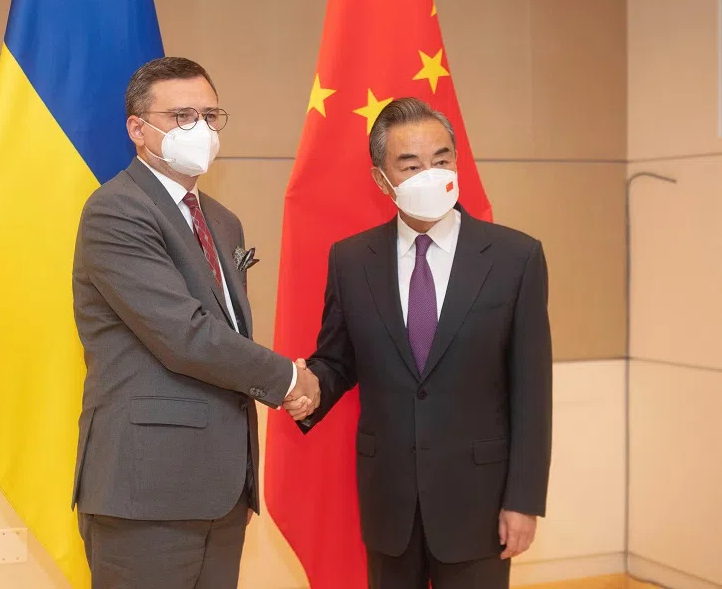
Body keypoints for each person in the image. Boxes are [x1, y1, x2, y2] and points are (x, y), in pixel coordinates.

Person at [71, 56, 319, 589]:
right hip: (147, 492)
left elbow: (226, 336)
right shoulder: (116, 210)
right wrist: (289, 380)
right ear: (138, 129)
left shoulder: (223, 222)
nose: (200, 129)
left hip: (221, 488)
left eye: (209, 115)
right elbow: (185, 336)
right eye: (182, 116)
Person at [283, 97, 552, 589]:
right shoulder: (351, 260)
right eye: (410, 165)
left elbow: (532, 392)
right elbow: (336, 360)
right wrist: (309, 387)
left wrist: (524, 500)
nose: (430, 175)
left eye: (442, 160)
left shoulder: (515, 257)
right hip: (390, 504)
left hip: (480, 503)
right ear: (381, 179)